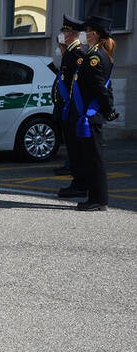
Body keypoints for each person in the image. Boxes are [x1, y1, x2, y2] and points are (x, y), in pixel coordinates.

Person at [70, 15, 119, 211]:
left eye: (88, 30)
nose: (84, 33)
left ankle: (98, 199)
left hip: (91, 114)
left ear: (95, 34)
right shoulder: (95, 53)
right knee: (90, 157)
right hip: (90, 114)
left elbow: (100, 88)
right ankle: (96, 197)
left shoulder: (96, 56)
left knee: (94, 159)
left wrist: (108, 110)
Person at [54, 15, 88, 198]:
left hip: (74, 108)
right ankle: (78, 182)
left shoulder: (77, 53)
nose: (62, 35)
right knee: (73, 149)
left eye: (64, 32)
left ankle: (80, 184)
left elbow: (76, 84)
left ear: (70, 34)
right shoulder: (72, 52)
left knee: (77, 150)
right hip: (69, 107)